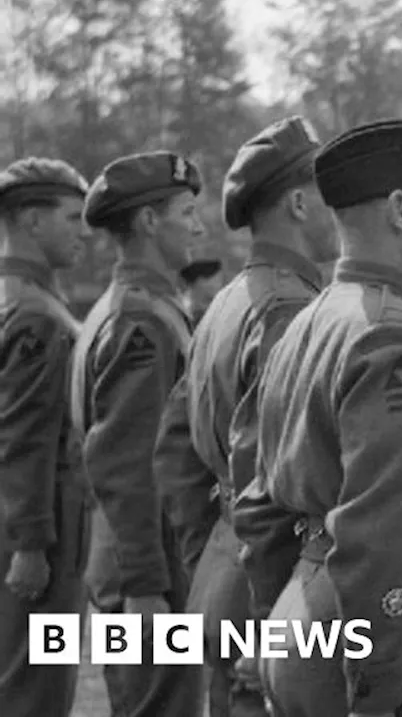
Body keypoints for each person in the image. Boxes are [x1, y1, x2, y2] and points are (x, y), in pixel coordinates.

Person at [233, 119, 402, 717]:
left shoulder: (309, 319)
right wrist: (372, 690)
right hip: (384, 634)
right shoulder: (392, 334)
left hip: (304, 611)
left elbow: (257, 500)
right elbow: (380, 537)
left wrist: (276, 626)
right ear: (400, 210)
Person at [156, 115, 334, 717]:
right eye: (328, 193)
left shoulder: (228, 302)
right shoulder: (288, 310)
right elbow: (271, 476)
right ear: (299, 203)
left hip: (223, 567)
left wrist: (206, 556)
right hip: (271, 587)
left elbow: (176, 452)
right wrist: (271, 614)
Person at [71, 151, 206, 717]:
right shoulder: (141, 320)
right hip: (150, 567)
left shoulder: (135, 306)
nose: (199, 225)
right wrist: (144, 585)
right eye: (187, 211)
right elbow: (126, 461)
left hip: (142, 558)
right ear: (150, 222)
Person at [0, 157, 92, 717]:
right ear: (32, 221)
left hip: (21, 516)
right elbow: (25, 436)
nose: (82, 231)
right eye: (71, 217)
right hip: (39, 526)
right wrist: (31, 545)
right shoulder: (35, 314)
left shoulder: (18, 298)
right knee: (34, 686)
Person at [177, 257, 223, 325]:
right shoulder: (181, 312)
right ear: (200, 281)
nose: (220, 285)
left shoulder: (218, 309)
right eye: (216, 280)